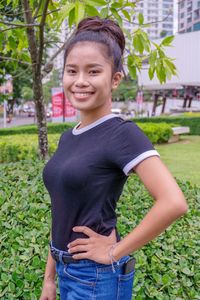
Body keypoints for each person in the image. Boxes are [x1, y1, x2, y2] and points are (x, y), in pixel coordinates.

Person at [40, 16, 188, 300]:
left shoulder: (122, 134)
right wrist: (50, 277)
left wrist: (113, 251)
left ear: (115, 78)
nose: (80, 81)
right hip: (64, 269)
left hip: (94, 278)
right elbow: (61, 210)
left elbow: (174, 202)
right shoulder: (69, 136)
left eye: (93, 71)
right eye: (72, 71)